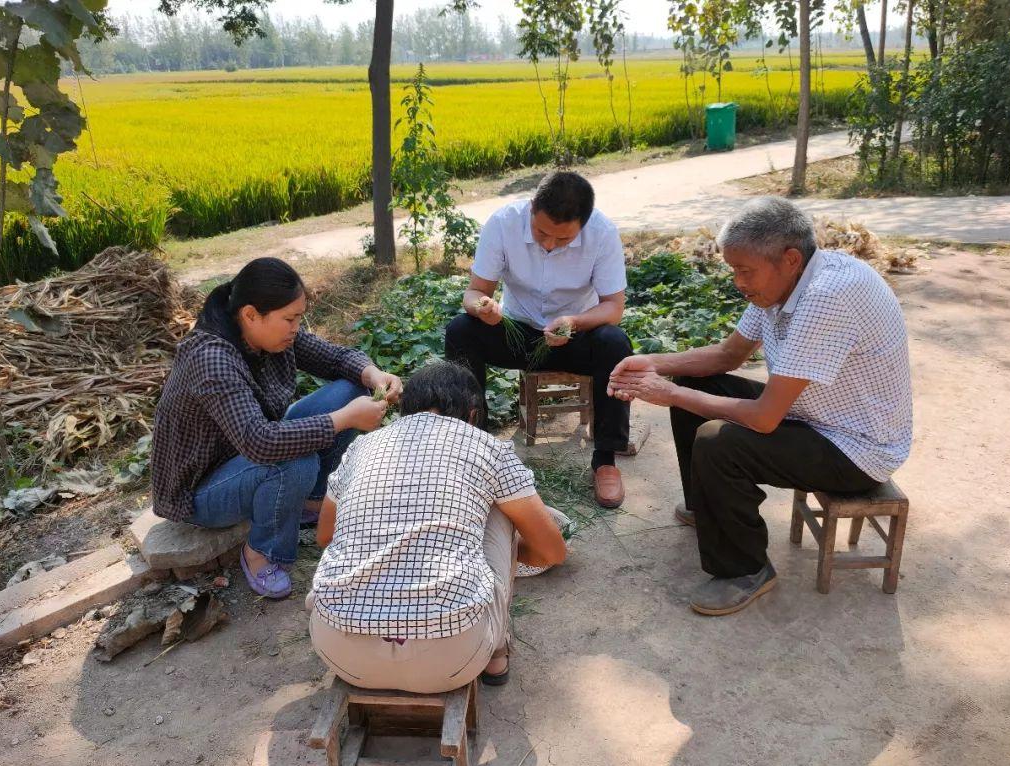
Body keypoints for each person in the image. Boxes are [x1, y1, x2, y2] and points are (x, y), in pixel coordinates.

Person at [609, 197, 913, 616]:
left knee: (718, 441)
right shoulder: (785, 284)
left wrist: (668, 394)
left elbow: (764, 418)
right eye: (733, 269)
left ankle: (745, 570)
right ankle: (709, 507)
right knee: (698, 383)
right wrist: (654, 363)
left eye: (744, 270)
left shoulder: (827, 298)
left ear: (789, 258)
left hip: (856, 448)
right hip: (812, 415)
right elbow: (726, 356)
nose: (737, 281)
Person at [308, 361, 567, 693]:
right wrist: (513, 555)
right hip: (453, 661)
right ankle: (497, 650)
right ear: (473, 414)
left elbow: (325, 537)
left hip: (341, 654)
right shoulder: (489, 448)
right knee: (503, 510)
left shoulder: (361, 447)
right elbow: (552, 551)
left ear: (405, 409)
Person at [151, 257, 402, 599]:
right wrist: (345, 419)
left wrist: (372, 374)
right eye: (290, 319)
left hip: (247, 451)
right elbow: (261, 443)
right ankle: (262, 551)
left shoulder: (271, 335)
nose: (296, 327)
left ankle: (309, 503)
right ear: (251, 314)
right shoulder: (212, 358)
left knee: (351, 387)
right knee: (295, 461)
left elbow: (335, 358)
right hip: (200, 489)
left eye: (299, 318)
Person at [444, 171, 633, 509]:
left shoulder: (602, 233)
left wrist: (574, 322)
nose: (549, 244)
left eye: (562, 240)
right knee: (460, 331)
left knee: (615, 343)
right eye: (541, 232)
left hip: (574, 337)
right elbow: (474, 292)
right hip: (518, 334)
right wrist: (483, 307)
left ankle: (605, 459)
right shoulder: (503, 224)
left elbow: (613, 308)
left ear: (583, 224)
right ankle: (472, 445)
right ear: (531, 208)